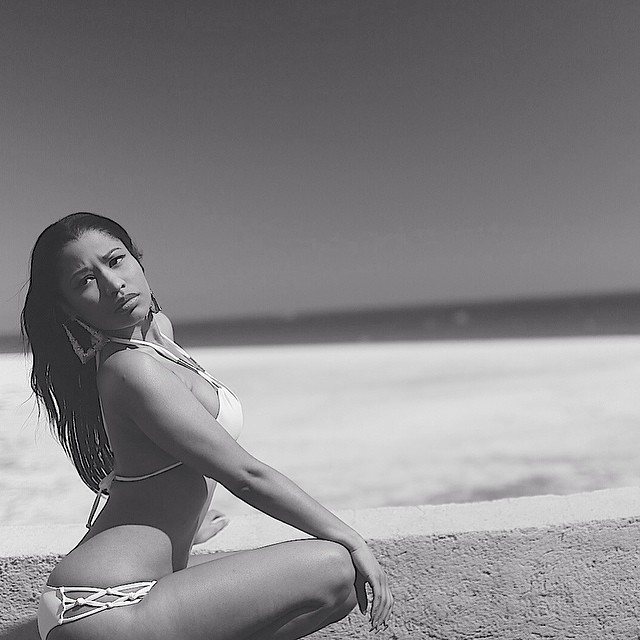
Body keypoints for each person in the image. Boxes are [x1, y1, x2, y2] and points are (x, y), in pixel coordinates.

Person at [22, 212, 393, 640]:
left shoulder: (158, 334)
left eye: (116, 260)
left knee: (339, 592)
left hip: (127, 586)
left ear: (137, 258)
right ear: (67, 308)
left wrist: (186, 525)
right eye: (85, 280)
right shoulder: (130, 369)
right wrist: (353, 539)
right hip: (103, 605)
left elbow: (166, 460)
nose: (113, 284)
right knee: (335, 566)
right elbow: (245, 475)